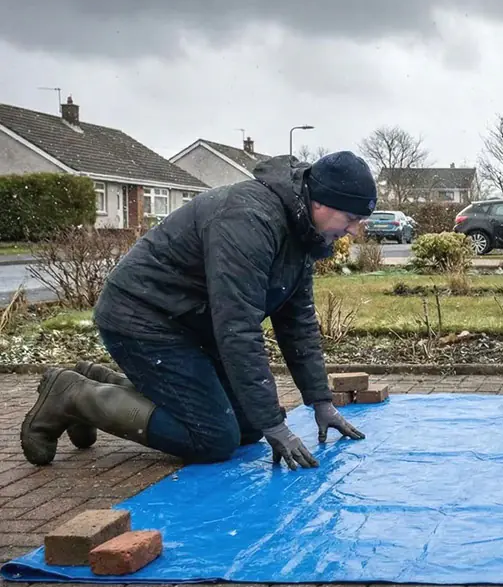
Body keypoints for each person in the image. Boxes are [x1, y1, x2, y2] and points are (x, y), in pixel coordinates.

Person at [21, 151, 377, 470]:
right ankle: (75, 396)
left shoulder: (301, 234)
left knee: (250, 427)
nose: (354, 230)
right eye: (351, 217)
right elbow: (237, 326)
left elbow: (297, 323)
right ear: (320, 202)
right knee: (213, 438)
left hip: (188, 322)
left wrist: (320, 401)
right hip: (143, 318)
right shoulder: (250, 220)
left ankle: (99, 381)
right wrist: (276, 425)